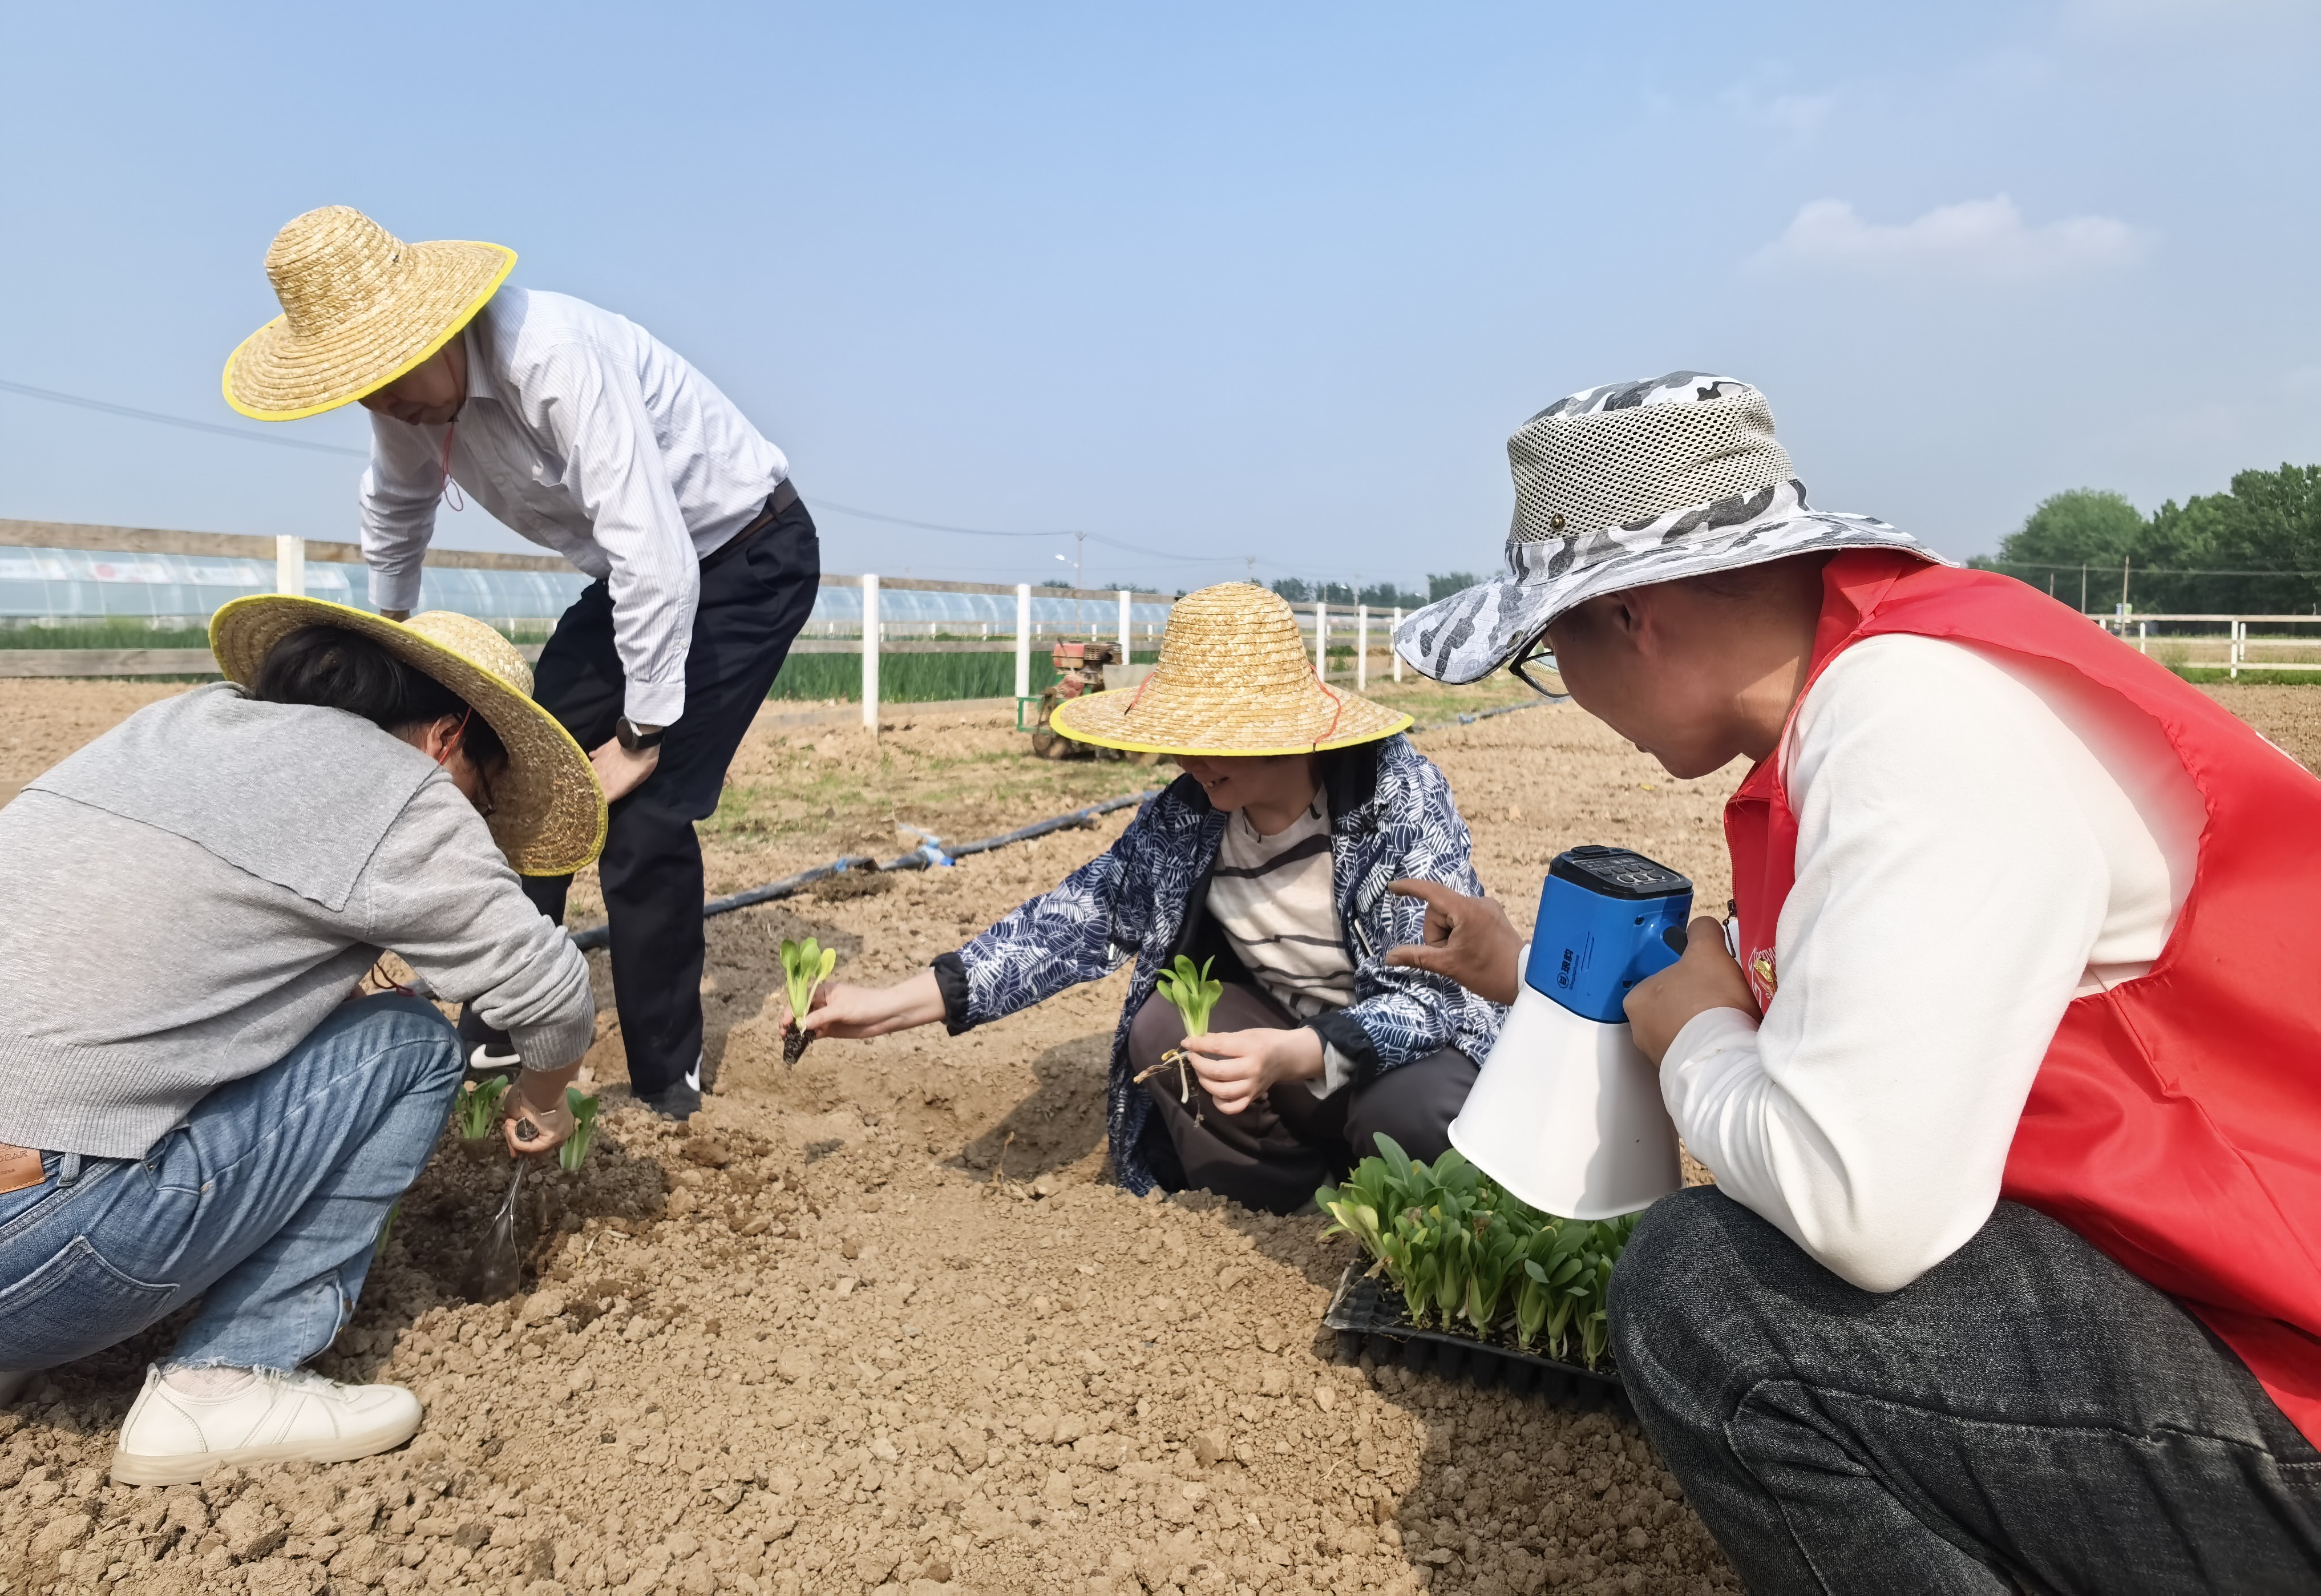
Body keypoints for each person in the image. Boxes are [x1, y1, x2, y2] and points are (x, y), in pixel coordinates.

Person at [1389, 372, 2321, 1591]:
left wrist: (1701, 1043)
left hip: (2285, 1385)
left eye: (1545, 648)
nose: (1563, 687)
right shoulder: (1901, 685)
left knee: (1709, 1295)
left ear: (1631, 617)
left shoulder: (1907, 727)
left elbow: (1861, 1209)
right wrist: (1558, 986)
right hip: (2241, 1323)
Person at [0, 599, 606, 1485]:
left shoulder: (179, 723)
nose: (475, 814)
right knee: (410, 1048)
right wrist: (541, 1099)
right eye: (486, 786)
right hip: (29, 1250)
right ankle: (227, 1377)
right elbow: (551, 992)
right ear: (446, 735)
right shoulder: (400, 791)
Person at [224, 205, 820, 1119]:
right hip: (631, 577)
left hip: (746, 557)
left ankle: (668, 1076)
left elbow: (653, 547)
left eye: (388, 378)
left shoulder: (557, 356)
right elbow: (395, 506)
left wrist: (644, 731)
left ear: (440, 327)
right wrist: (390, 634)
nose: (386, 406)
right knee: (510, 762)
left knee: (645, 819)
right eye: (363, 390)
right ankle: (508, 1016)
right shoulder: (406, 401)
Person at [791, 583, 1507, 1211]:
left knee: (1417, 1110)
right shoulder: (1188, 817)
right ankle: (1291, 1202)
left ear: (1281, 729)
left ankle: (1413, 1213)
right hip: (1278, 1050)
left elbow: (1428, 1002)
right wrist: (890, 1006)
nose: (1188, 758)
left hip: (1384, 1060)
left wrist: (1297, 1052)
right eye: (1180, 736)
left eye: (1213, 736)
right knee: (1167, 1029)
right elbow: (1070, 923)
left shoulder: (1393, 800)